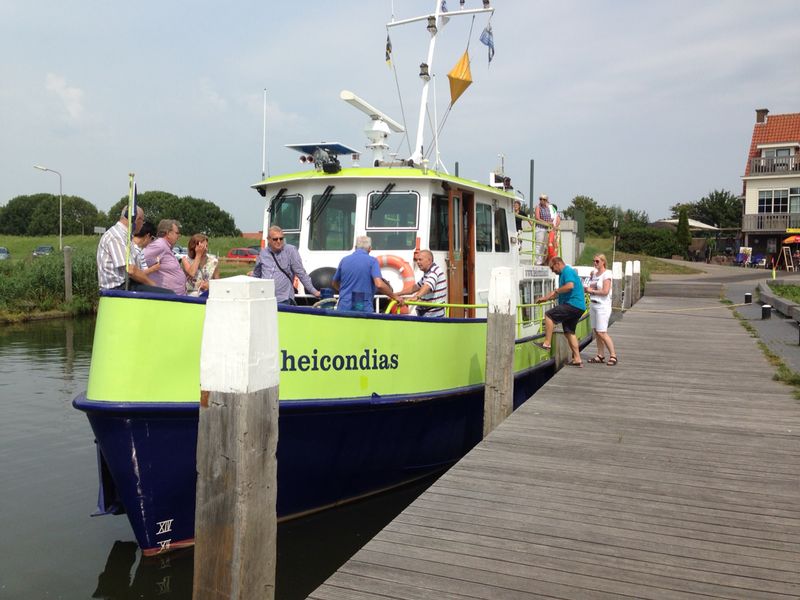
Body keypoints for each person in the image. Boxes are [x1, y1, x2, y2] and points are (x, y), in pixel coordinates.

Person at [96, 206, 171, 293]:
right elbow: (131, 270)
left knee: (163, 292)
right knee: (168, 294)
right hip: (118, 289)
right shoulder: (116, 236)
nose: (142, 225)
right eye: (142, 221)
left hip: (123, 286)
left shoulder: (124, 236)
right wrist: (152, 284)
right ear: (137, 220)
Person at [534, 256, 586, 367]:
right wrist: (545, 298)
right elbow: (560, 293)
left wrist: (556, 291)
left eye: (553, 268)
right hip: (578, 306)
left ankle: (547, 343)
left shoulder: (567, 271)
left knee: (549, 315)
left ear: (558, 263)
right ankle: (577, 359)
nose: (553, 271)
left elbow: (570, 286)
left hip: (573, 304)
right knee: (569, 332)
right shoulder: (563, 274)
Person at [252, 226, 320, 305]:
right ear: (268, 239)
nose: (278, 241)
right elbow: (256, 275)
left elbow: (301, 273)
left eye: (281, 239)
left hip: (283, 299)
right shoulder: (263, 253)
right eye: (275, 239)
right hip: (265, 298)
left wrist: (314, 291)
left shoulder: (291, 251)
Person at [332, 235, 401, 312]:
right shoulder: (372, 261)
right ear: (370, 248)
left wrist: (345, 292)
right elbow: (379, 284)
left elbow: (334, 283)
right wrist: (395, 296)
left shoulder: (344, 260)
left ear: (355, 247)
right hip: (361, 304)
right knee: (359, 323)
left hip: (343, 305)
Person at [585, 254, 617, 366]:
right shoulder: (594, 274)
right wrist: (587, 289)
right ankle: (600, 354)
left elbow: (605, 291)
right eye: (594, 261)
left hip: (602, 306)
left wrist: (591, 291)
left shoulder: (607, 274)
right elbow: (592, 287)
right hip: (593, 304)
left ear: (603, 262)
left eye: (597, 261)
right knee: (596, 331)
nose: (595, 263)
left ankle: (613, 355)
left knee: (602, 332)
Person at [143, 219, 187, 295]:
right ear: (168, 233)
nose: (178, 236)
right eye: (176, 233)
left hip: (173, 297)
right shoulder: (160, 245)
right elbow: (141, 260)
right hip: (166, 299)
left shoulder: (165, 246)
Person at [404, 249, 448, 317]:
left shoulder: (434, 271)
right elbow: (415, 287)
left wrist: (416, 297)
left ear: (429, 260)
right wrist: (397, 294)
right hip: (426, 313)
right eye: (417, 260)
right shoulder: (427, 273)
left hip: (433, 314)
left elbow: (427, 286)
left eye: (420, 260)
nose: (418, 262)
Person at [534, 194, 559, 265]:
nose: (542, 201)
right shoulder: (538, 207)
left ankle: (541, 261)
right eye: (540, 199)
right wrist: (547, 222)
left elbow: (553, 217)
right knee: (539, 245)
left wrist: (551, 223)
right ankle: (537, 261)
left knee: (544, 246)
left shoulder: (548, 208)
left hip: (546, 229)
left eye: (544, 199)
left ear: (546, 200)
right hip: (540, 228)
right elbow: (537, 218)